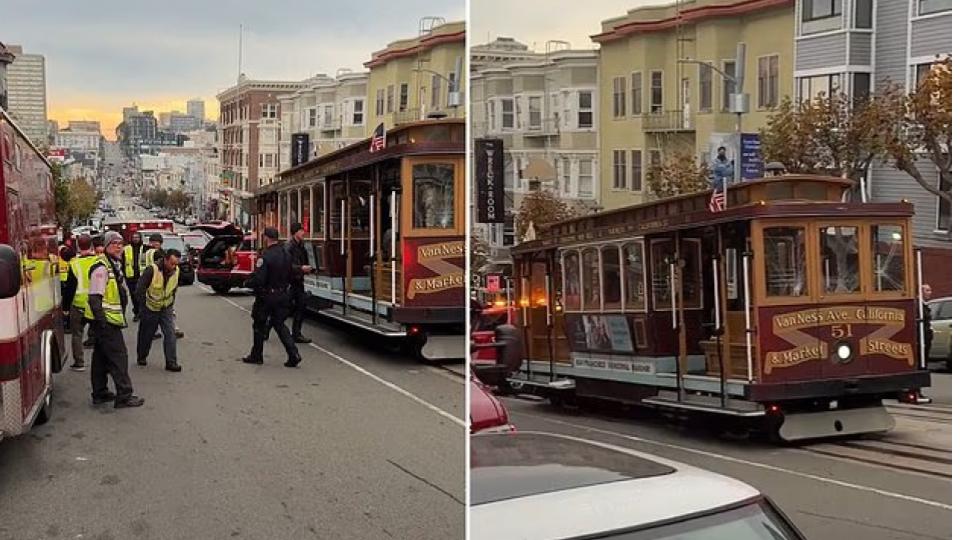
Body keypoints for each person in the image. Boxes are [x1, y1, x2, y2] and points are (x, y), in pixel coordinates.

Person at [86, 231, 143, 408]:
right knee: (119, 358)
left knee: (101, 359)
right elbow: (95, 297)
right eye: (114, 243)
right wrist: (102, 322)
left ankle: (100, 393)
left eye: (121, 243)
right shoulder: (102, 267)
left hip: (106, 321)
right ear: (106, 246)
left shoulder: (112, 264)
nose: (119, 246)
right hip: (106, 322)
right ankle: (124, 396)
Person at [241, 227, 302, 367]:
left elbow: (260, 279)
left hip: (267, 296)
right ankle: (294, 354)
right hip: (283, 294)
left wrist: (247, 282)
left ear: (267, 238)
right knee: (279, 324)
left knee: (259, 324)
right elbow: (292, 272)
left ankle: (257, 355)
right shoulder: (286, 253)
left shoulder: (265, 256)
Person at [135, 248, 183, 372]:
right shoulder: (152, 270)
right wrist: (143, 307)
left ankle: (171, 362)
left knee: (170, 334)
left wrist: (171, 304)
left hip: (166, 307)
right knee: (147, 335)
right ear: (165, 259)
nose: (174, 266)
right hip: (150, 308)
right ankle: (142, 356)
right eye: (172, 263)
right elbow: (140, 289)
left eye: (176, 264)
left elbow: (173, 289)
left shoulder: (176, 271)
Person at [63, 234, 97, 371]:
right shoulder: (99, 261)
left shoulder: (74, 263)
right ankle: (103, 363)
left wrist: (65, 307)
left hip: (78, 304)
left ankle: (79, 362)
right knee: (100, 334)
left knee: (77, 334)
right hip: (96, 303)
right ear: (92, 246)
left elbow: (69, 288)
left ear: (78, 246)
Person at [142, 233, 185, 339]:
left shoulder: (146, 252)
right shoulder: (157, 253)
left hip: (153, 283)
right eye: (154, 242)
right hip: (155, 282)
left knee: (160, 310)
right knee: (163, 310)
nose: (156, 244)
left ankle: (157, 331)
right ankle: (171, 329)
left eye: (157, 242)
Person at [285, 222, 313, 343]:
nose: (303, 233)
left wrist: (308, 269)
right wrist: (300, 268)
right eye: (301, 230)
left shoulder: (301, 246)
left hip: (298, 281)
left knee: (301, 306)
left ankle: (296, 333)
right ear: (295, 232)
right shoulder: (289, 247)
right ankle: (267, 327)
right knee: (284, 308)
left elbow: (303, 260)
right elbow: (286, 265)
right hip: (290, 282)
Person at [122, 232, 145, 321]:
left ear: (140, 238)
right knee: (134, 296)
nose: (135, 239)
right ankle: (137, 312)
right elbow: (123, 262)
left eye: (137, 237)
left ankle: (141, 312)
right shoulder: (126, 249)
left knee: (141, 296)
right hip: (130, 276)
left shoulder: (144, 249)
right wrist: (124, 274)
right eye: (134, 237)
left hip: (142, 276)